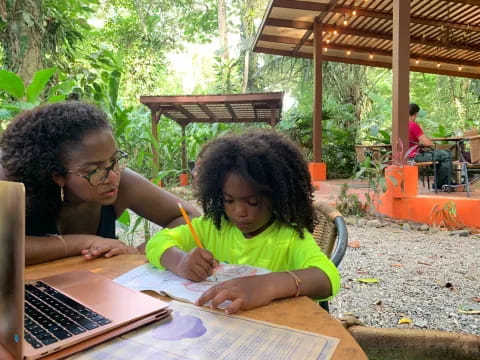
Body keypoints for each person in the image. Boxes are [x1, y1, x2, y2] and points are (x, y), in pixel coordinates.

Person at [146, 129, 340, 314]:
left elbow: (327, 277)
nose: (239, 211)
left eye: (252, 202)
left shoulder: (288, 238)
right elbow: (157, 242)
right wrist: (180, 261)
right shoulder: (212, 227)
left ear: (276, 196)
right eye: (229, 200)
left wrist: (267, 285)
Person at [0, 101, 200, 265]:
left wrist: (145, 250)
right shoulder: (18, 190)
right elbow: (5, 248)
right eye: (93, 171)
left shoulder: (124, 183)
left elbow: (190, 218)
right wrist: (84, 242)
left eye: (114, 161)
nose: (112, 176)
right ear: (57, 175)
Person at [408, 103, 452, 190]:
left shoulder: (399, 125)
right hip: (414, 157)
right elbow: (427, 142)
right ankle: (443, 184)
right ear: (416, 113)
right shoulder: (413, 125)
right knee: (446, 154)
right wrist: (433, 144)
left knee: (438, 157)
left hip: (403, 156)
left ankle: (440, 184)